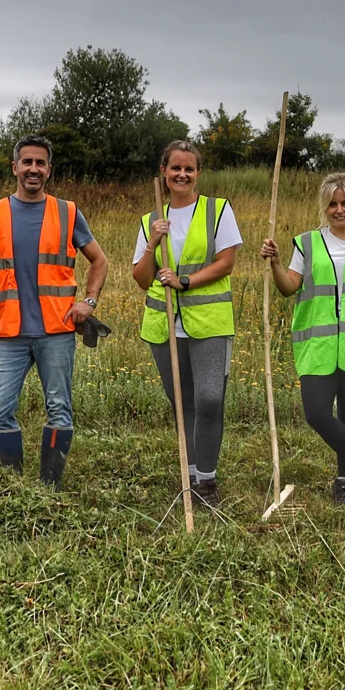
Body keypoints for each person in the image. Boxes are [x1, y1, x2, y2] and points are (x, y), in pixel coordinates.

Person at [0, 135, 109, 487]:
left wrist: (88, 302)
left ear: (49, 169)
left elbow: (99, 260)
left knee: (59, 408)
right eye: (26, 162)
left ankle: (49, 487)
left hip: (57, 330)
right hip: (8, 332)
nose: (33, 169)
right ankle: (11, 490)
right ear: (14, 167)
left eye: (40, 163)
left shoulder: (67, 212)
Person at [261, 172, 345, 502]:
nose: (339, 210)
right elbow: (288, 286)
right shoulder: (306, 243)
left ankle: (344, 483)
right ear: (324, 206)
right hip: (317, 345)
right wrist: (276, 263)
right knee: (317, 413)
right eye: (333, 204)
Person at [131, 140, 242, 506]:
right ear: (163, 172)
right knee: (184, 405)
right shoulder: (151, 220)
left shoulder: (218, 210)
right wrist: (152, 244)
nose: (181, 174)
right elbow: (142, 278)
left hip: (208, 322)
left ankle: (207, 482)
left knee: (210, 399)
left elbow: (226, 261)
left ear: (197, 173)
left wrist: (185, 281)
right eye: (175, 168)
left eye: (189, 169)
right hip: (164, 326)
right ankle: (192, 476)